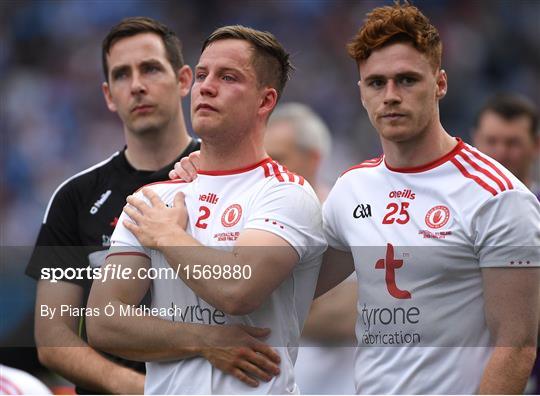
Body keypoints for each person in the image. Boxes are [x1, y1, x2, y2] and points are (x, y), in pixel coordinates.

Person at [25, 17, 277, 394]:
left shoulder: (238, 180)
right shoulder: (74, 197)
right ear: (109, 95)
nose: (138, 85)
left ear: (184, 80)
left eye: (151, 68)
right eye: (122, 75)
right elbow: (52, 336)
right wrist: (142, 389)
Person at [314, 2, 540, 394]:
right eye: (376, 83)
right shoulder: (351, 188)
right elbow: (289, 289)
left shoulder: (497, 196)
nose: (390, 96)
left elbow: (517, 347)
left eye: (407, 80)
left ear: (440, 83)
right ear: (361, 92)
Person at [86, 25, 326, 394]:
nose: (207, 87)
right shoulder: (154, 197)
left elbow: (237, 288)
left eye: (228, 77)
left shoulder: (286, 193)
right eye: (201, 75)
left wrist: (166, 235)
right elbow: (103, 321)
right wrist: (204, 339)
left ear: (265, 101)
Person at [472, 93, 540, 199]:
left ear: (536, 145)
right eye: (491, 141)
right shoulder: (456, 206)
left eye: (513, 143)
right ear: (476, 140)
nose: (501, 152)